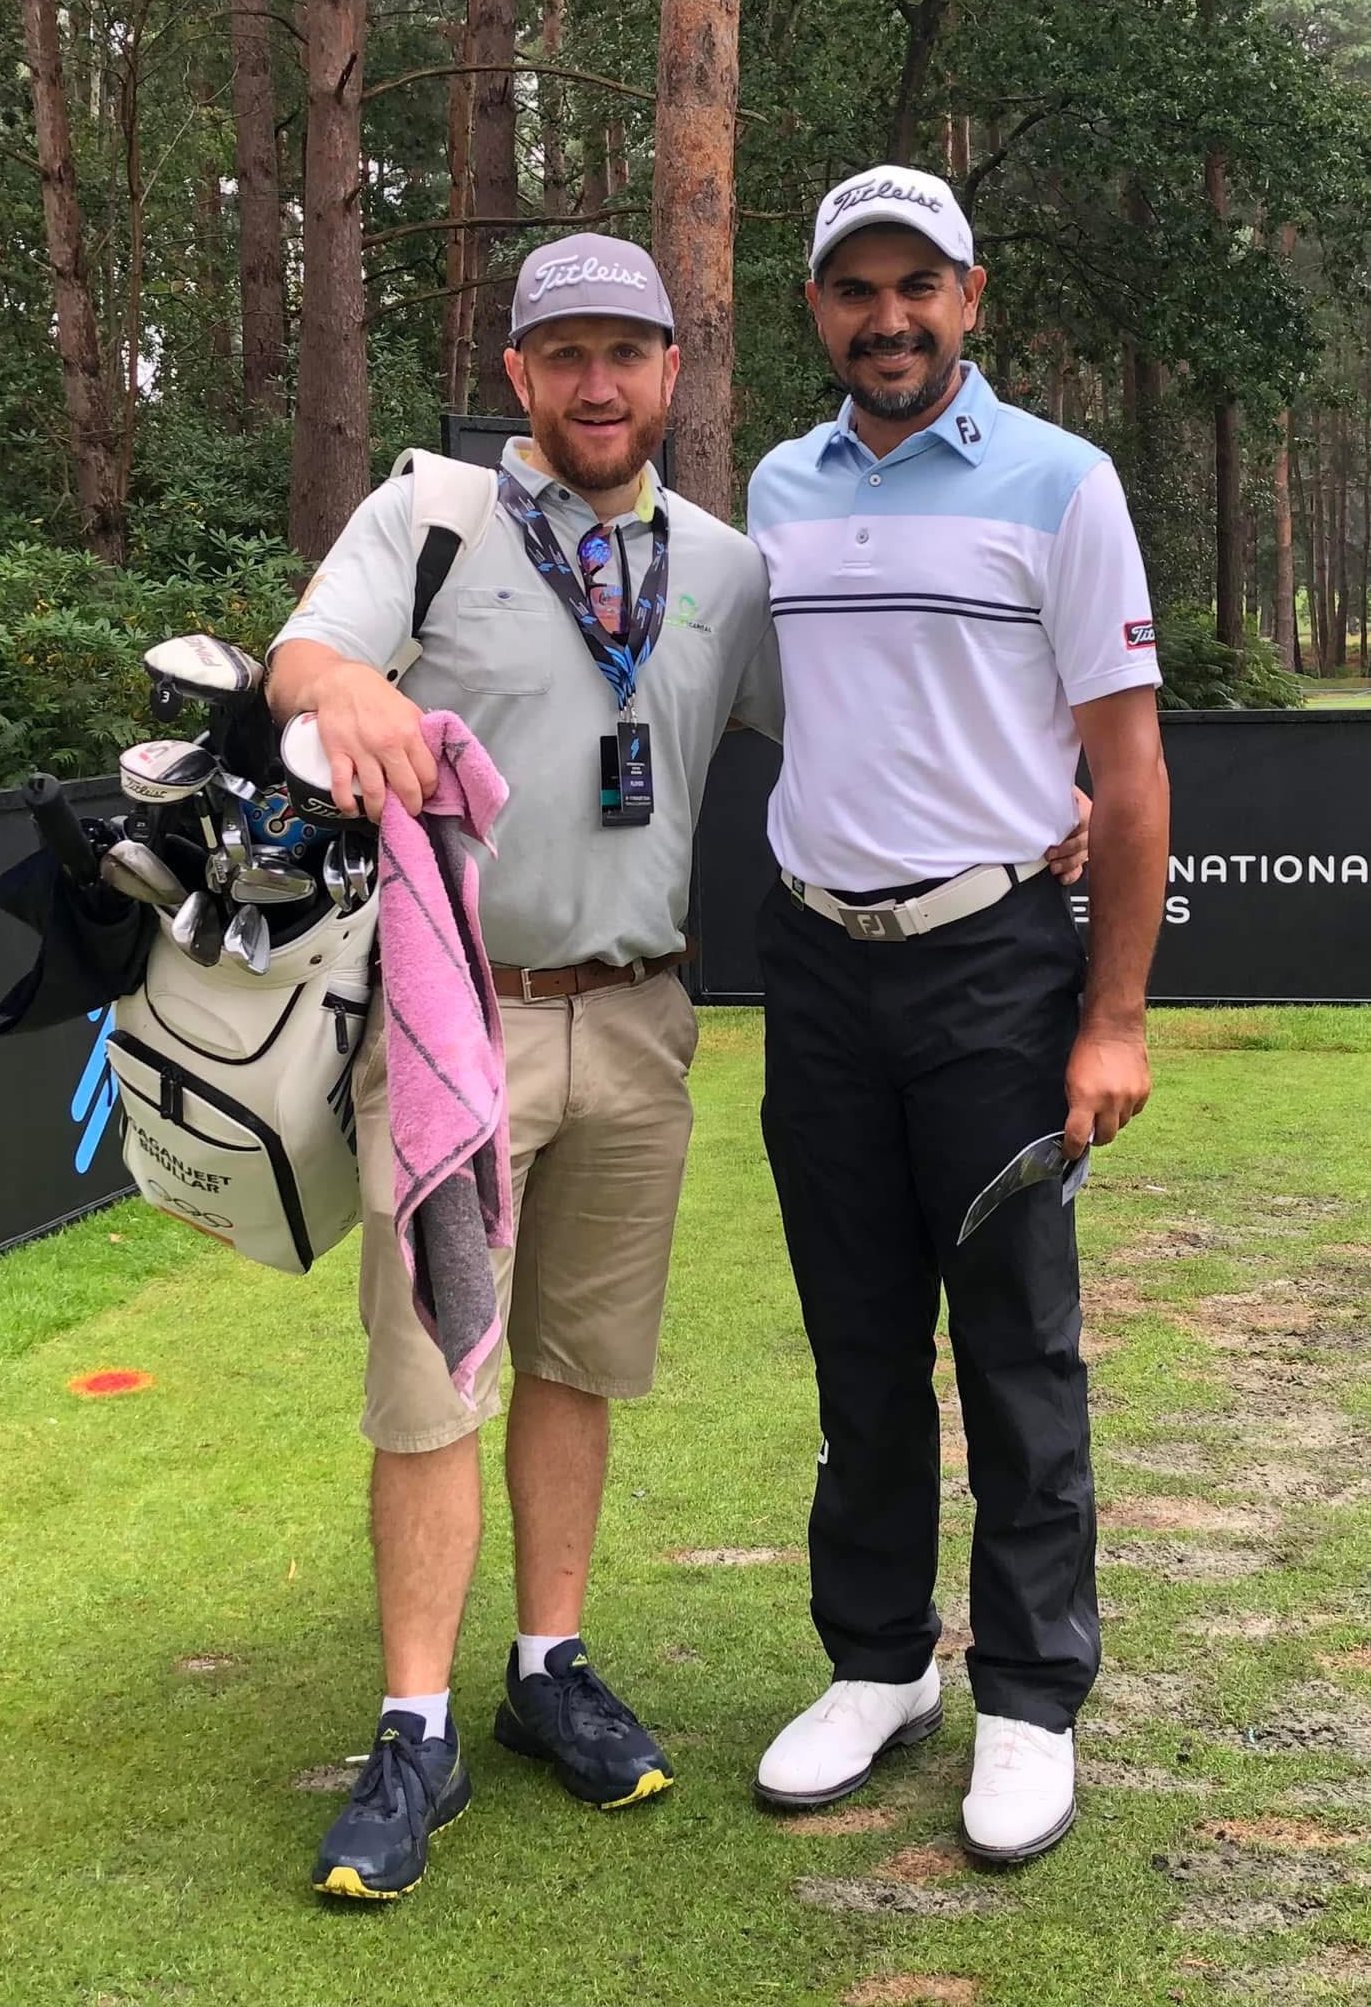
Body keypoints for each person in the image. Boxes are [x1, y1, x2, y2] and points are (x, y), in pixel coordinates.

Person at [267, 228, 1088, 1902]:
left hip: (642, 1019)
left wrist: (1046, 787)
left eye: (625, 353)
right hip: (459, 1019)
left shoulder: (722, 561)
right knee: (433, 1375)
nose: (597, 384)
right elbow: (304, 657)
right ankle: (414, 1725)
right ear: (518, 372)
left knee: (576, 1364)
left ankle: (546, 1670)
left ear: (671, 371)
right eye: (564, 354)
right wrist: (337, 683)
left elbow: (863, 716)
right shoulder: (429, 515)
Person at [746, 165, 1170, 1864]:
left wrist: (1113, 1015)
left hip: (992, 965)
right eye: (857, 289)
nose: (889, 318)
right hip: (815, 967)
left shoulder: (1062, 481)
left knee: (1013, 1342)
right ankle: (878, 1663)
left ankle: (1031, 1695)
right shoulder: (778, 490)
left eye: (919, 285)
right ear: (818, 310)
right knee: (857, 1339)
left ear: (970, 298)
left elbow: (1128, 771)